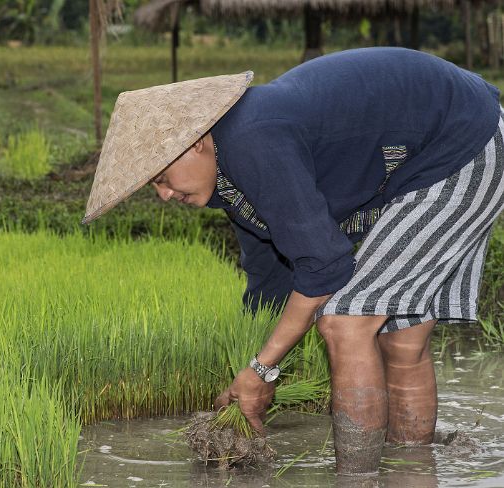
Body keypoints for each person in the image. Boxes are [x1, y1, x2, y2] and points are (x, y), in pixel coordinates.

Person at [83, 47, 504, 474]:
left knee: (346, 322)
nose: (165, 195)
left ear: (194, 143)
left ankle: (356, 481)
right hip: (437, 148)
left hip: (462, 142)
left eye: (161, 178)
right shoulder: (230, 174)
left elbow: (324, 268)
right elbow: (271, 276)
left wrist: (262, 369)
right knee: (401, 335)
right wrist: (251, 359)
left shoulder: (252, 140)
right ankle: (412, 469)